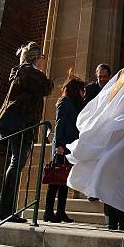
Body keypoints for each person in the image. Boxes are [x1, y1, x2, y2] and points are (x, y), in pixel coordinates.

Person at [66, 51, 124, 231]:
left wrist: (101, 124)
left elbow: (102, 100)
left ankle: (112, 217)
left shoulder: (122, 73)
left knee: (111, 171)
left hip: (115, 129)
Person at [0, 41, 53, 223]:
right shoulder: (29, 72)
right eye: (42, 56)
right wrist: (42, 73)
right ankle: (5, 209)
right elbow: (47, 88)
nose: (44, 59)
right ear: (36, 57)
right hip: (21, 125)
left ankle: (2, 208)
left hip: (19, 124)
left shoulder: (24, 71)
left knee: (15, 163)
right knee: (16, 163)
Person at [44, 72, 85, 223]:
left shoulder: (74, 104)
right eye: (82, 90)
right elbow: (59, 123)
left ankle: (60, 211)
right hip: (62, 146)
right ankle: (48, 212)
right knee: (55, 180)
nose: (83, 93)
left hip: (69, 146)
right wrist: (59, 145)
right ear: (76, 90)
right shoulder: (65, 102)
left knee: (64, 180)